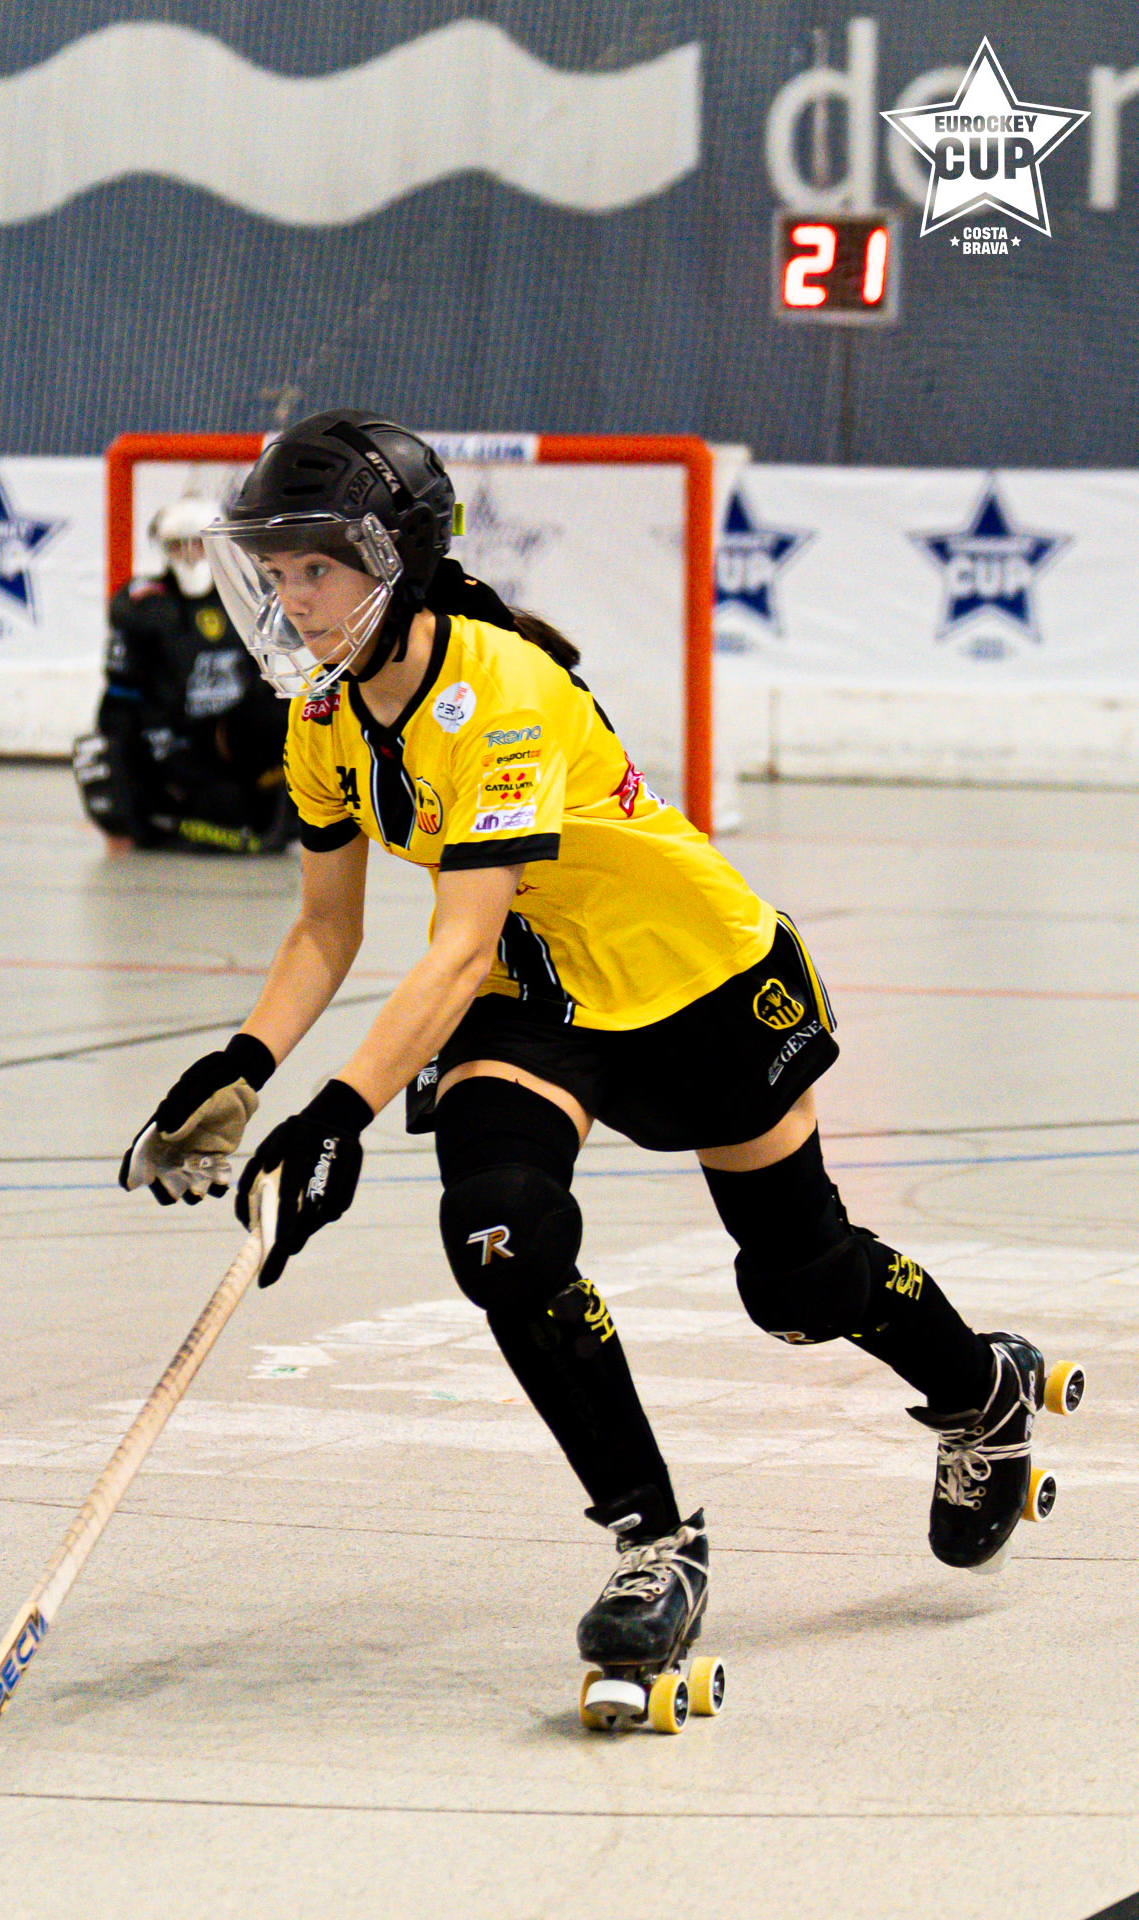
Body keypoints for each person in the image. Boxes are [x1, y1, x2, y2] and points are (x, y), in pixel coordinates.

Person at [117, 410, 1081, 1727]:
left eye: (318, 571)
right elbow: (325, 931)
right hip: (537, 996)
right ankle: (653, 1543)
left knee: (799, 1285)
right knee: (500, 1228)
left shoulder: (501, 694)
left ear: (398, 561)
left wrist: (337, 1113)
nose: (290, 603)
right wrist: (239, 1069)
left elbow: (455, 943)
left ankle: (982, 1392)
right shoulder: (324, 719)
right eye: (274, 574)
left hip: (696, 981)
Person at [73, 495, 296, 854]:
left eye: (199, 544)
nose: (191, 556)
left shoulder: (247, 596)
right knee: (224, 805)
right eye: (179, 545)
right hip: (173, 738)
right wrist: (129, 778)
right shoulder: (144, 604)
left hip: (229, 734)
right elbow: (120, 696)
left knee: (294, 721)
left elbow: (268, 680)